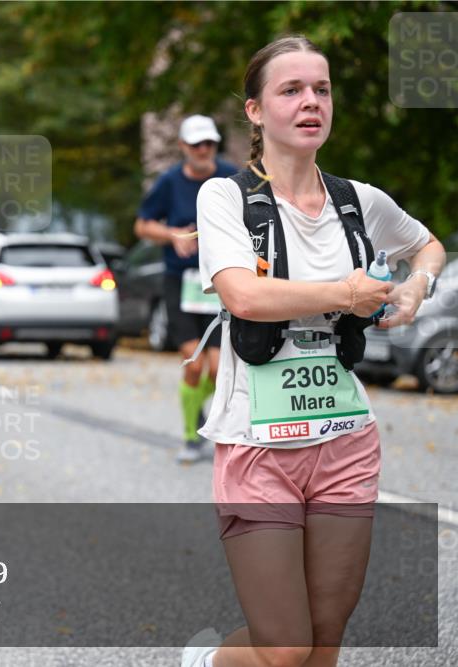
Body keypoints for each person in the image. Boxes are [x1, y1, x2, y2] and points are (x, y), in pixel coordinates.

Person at [181, 36, 445, 667]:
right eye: (291, 90)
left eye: (321, 89)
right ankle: (206, 662)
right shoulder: (227, 199)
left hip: (345, 441)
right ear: (254, 110)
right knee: (285, 649)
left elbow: (427, 245)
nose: (310, 102)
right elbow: (243, 295)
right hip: (259, 447)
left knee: (325, 639)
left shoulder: (360, 201)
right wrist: (347, 291)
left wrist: (414, 289)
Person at [135, 115, 239, 463]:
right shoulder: (169, 182)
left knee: (218, 367)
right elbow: (142, 225)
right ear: (183, 147)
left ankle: (197, 409)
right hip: (180, 283)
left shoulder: (229, 176)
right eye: (196, 144)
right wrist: (172, 235)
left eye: (208, 143)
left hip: (219, 282)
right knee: (193, 365)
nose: (203, 150)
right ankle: (190, 436)